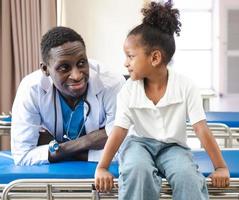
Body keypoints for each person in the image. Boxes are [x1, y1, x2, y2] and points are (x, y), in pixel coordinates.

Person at [94, 2, 230, 200]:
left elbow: (201, 129)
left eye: (131, 56)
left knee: (187, 177)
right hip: (138, 145)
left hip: (173, 148)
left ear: (155, 58)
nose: (126, 63)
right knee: (137, 171)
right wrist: (102, 167)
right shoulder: (128, 90)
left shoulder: (186, 86)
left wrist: (220, 166)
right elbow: (119, 131)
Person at [11, 26, 125, 166]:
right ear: (45, 69)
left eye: (81, 63)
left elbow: (124, 150)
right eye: (64, 67)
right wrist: (91, 140)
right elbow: (22, 155)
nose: (77, 76)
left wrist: (59, 148)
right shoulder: (31, 89)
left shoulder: (112, 83)